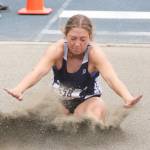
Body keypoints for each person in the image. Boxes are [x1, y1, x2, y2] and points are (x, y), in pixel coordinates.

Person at [4, 14, 142, 124]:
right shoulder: (57, 50)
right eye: (73, 38)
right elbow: (38, 71)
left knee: (88, 120)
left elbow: (112, 79)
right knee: (44, 123)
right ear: (65, 35)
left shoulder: (94, 54)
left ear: (90, 37)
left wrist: (127, 97)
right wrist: (19, 88)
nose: (77, 44)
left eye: (83, 39)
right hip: (60, 101)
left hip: (88, 101)